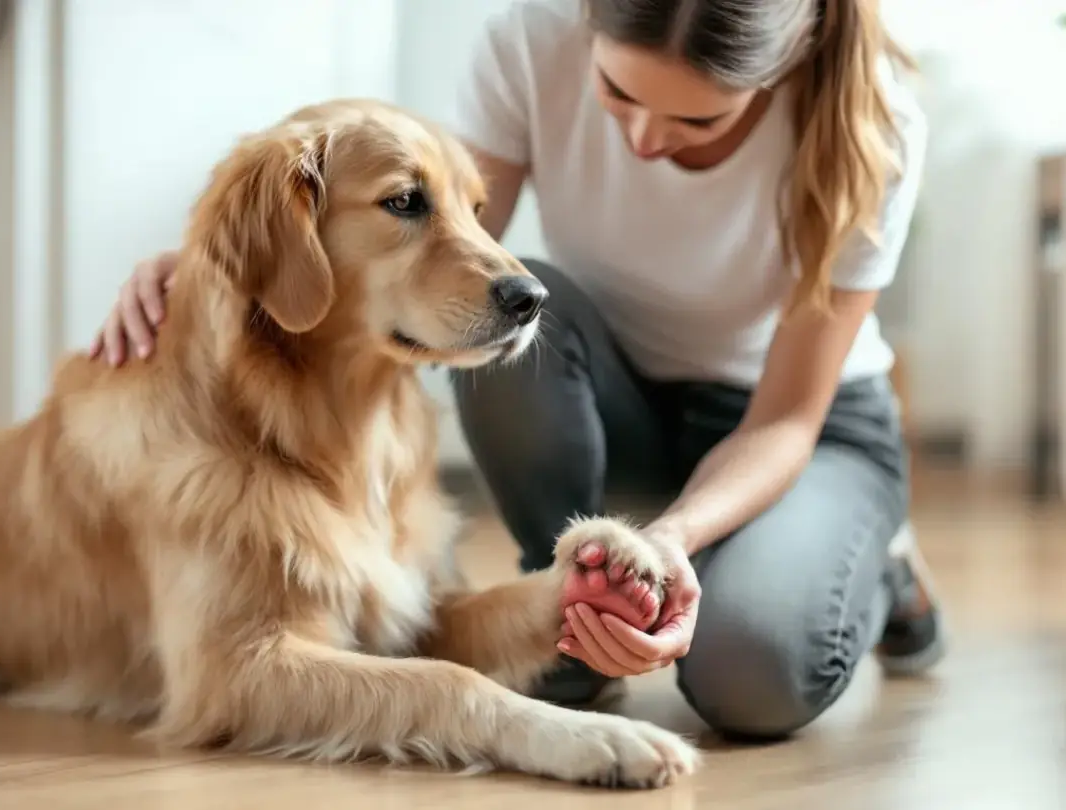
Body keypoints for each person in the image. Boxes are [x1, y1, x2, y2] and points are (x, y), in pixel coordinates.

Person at [91, 0, 945, 742]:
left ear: (777, 73)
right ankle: (579, 610)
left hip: (796, 433)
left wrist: (672, 539)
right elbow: (440, 255)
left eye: (698, 123)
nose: (646, 139)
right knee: (511, 308)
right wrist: (223, 261)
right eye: (619, 95)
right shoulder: (532, 43)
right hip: (614, 396)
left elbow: (784, 422)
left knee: (752, 683)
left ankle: (876, 561)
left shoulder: (876, 128)